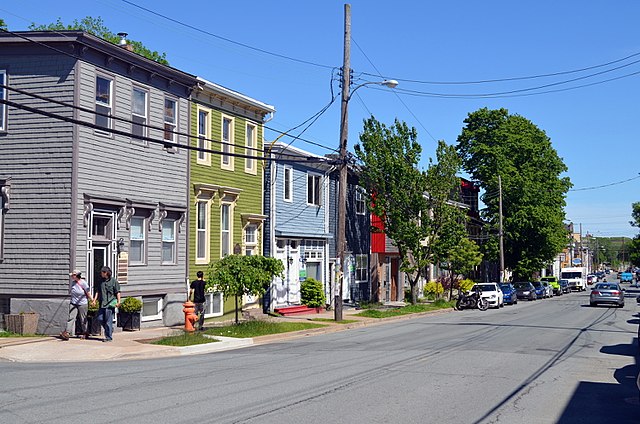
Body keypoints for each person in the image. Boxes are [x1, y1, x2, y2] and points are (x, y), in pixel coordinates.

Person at [60, 270, 91, 341]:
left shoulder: (83, 283)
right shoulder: (73, 283)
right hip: (74, 303)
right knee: (71, 317)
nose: (71, 276)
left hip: (82, 303)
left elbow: (88, 292)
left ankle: (85, 332)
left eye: (73, 275)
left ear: (76, 276)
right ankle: (67, 333)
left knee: (83, 319)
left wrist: (92, 300)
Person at [93, 266, 121, 342]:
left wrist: (119, 302)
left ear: (106, 273)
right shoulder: (100, 281)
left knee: (108, 321)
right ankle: (110, 329)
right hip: (102, 303)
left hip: (110, 304)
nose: (101, 274)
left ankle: (109, 337)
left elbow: (117, 292)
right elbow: (97, 291)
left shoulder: (113, 281)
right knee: (100, 318)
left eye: (102, 272)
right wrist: (94, 300)